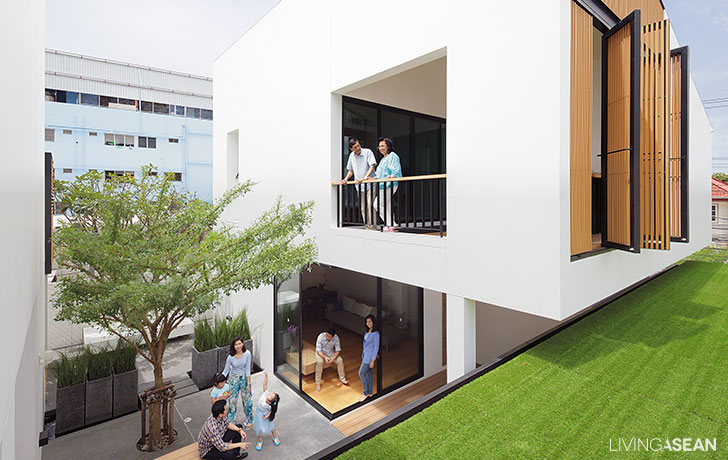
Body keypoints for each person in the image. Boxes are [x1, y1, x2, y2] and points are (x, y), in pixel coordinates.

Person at [340, 137, 377, 229]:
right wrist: (345, 179)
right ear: (351, 149)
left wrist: (365, 177)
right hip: (359, 186)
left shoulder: (368, 152)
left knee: (370, 205)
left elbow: (372, 166)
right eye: (355, 147)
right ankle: (367, 226)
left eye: (358, 145)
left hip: (370, 184)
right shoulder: (351, 156)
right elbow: (351, 171)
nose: (358, 148)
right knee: (363, 207)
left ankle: (373, 227)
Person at [372, 137, 403, 231]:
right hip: (383, 185)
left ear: (388, 146)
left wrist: (392, 176)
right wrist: (372, 178)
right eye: (379, 146)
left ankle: (390, 224)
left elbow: (396, 170)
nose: (381, 148)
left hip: (389, 184)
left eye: (383, 146)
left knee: (377, 204)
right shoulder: (383, 159)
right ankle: (392, 225)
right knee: (386, 205)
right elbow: (379, 174)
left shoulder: (393, 156)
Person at [222, 337, 253, 429]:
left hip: (244, 378)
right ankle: (231, 422)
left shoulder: (247, 354)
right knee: (232, 401)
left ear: (243, 344)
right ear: (233, 346)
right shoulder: (230, 357)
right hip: (233, 379)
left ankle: (249, 420)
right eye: (236, 344)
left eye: (240, 343)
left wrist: (248, 384)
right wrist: (217, 384)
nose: (238, 346)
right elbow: (226, 371)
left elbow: (248, 369)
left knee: (247, 400)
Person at [314, 327, 349, 391]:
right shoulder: (321, 336)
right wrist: (325, 357)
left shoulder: (336, 338)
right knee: (319, 362)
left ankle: (342, 379)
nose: (327, 337)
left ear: (333, 336)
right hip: (321, 353)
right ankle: (318, 383)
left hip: (330, 352)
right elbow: (319, 350)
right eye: (327, 335)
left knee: (340, 360)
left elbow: (338, 350)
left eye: (329, 336)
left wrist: (334, 358)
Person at [254, 370, 281, 451]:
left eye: (270, 396)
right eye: (270, 393)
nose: (268, 394)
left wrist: (267, 416)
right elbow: (265, 384)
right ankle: (260, 441)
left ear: (270, 402)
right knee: (259, 428)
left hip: (265, 416)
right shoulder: (265, 394)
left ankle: (275, 437)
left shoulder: (269, 406)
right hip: (259, 415)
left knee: (271, 427)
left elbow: (271, 412)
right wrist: (266, 376)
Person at [358, 314, 380, 402]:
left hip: (369, 357)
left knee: (361, 373)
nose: (368, 323)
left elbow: (376, 348)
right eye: (367, 322)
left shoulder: (376, 334)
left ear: (373, 322)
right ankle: (370, 392)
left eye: (370, 321)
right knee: (369, 373)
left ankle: (365, 392)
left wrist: (372, 360)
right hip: (365, 355)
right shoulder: (368, 331)